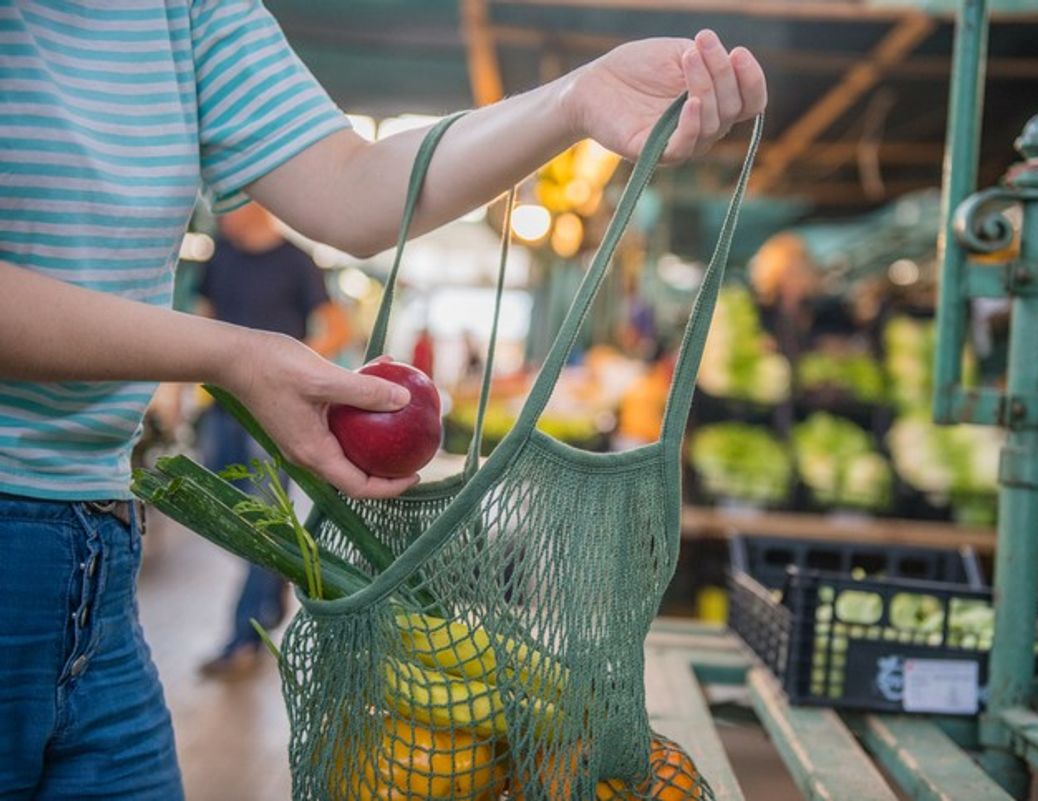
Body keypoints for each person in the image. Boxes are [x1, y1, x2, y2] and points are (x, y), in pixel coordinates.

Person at [0, 2, 766, 797]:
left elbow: (352, 187)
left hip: (101, 545)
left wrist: (576, 99)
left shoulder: (181, 10)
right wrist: (229, 356)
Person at [194, 202, 351, 678]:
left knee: (255, 524)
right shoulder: (219, 256)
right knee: (215, 511)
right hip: (219, 407)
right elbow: (204, 319)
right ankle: (278, 566)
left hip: (270, 416)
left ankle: (243, 636)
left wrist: (289, 365)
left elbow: (342, 327)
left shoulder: (296, 261)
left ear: (257, 201)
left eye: (228, 200)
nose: (220, 211)